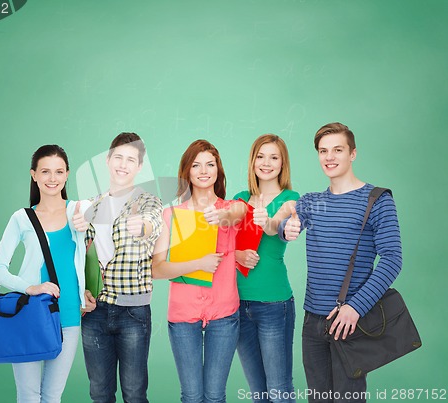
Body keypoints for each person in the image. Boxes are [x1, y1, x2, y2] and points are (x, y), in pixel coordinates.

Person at [279, 123, 402, 403]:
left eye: (337, 149)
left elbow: (393, 259)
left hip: (350, 322)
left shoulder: (377, 200)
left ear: (353, 154)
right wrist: (287, 228)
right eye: (323, 151)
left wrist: (355, 308)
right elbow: (288, 225)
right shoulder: (313, 201)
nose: (329, 157)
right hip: (313, 322)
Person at [0, 144, 93, 403]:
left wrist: (85, 292)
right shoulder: (21, 218)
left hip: (69, 315)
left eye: (59, 172)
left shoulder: (79, 211)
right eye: (45, 171)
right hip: (31, 314)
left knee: (52, 396)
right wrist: (30, 287)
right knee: (29, 395)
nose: (52, 178)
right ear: (33, 174)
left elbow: (96, 247)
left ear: (67, 174)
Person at [152, 139, 247, 403]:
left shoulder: (231, 208)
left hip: (224, 313)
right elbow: (157, 269)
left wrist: (224, 217)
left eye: (210, 164)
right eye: (196, 165)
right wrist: (198, 264)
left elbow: (239, 212)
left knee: (215, 395)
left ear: (218, 169)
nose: (204, 170)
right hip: (183, 314)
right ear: (187, 172)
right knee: (192, 395)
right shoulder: (170, 214)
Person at [78, 132, 163, 403]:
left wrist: (144, 225)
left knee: (134, 393)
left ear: (139, 166)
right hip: (94, 312)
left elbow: (153, 222)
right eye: (118, 157)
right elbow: (78, 256)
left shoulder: (147, 201)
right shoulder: (90, 206)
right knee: (100, 393)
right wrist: (82, 293)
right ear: (107, 159)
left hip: (133, 312)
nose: (123, 165)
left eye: (131, 160)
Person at [234, 134, 299, 403]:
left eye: (274, 157)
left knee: (279, 390)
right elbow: (222, 247)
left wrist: (268, 220)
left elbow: (277, 228)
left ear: (283, 163)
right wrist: (238, 254)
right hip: (237, 304)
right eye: (260, 156)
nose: (266, 163)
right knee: (258, 392)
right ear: (252, 161)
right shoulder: (239, 199)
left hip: (274, 305)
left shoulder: (291, 199)